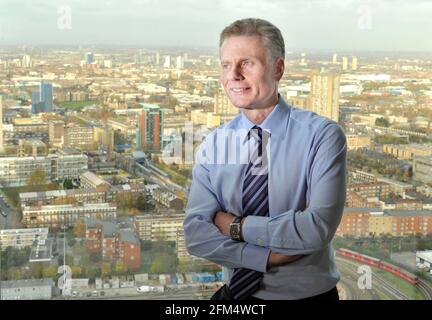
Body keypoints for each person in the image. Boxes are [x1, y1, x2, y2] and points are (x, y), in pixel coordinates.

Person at [183, 18, 347, 300]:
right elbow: (196, 235)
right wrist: (266, 257)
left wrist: (236, 226)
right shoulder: (215, 143)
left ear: (278, 68)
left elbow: (317, 228)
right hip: (234, 297)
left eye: (247, 63)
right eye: (226, 64)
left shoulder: (322, 136)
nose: (233, 74)